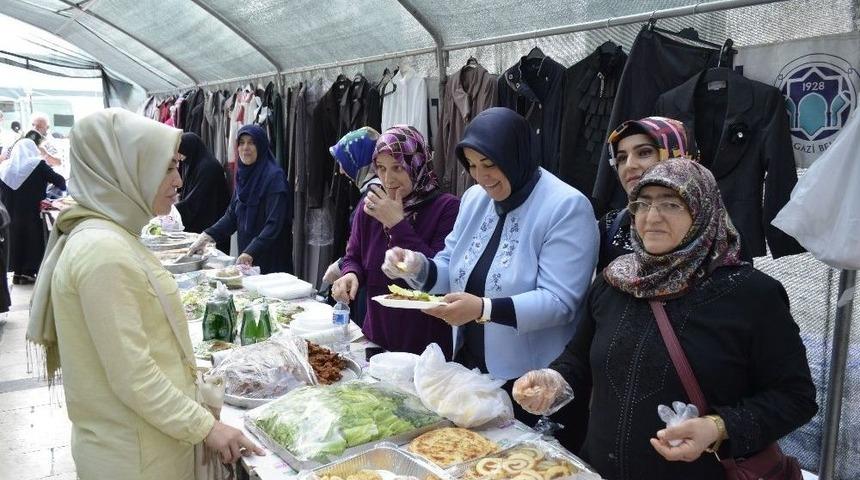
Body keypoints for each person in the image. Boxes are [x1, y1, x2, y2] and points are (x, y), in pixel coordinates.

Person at [513, 159, 817, 480]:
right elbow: (578, 359)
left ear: (703, 210)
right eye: (642, 204)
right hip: (600, 469)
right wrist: (553, 380)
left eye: (671, 204)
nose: (652, 217)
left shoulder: (750, 295)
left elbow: (795, 397)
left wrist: (717, 427)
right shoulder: (614, 282)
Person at [26, 109, 263, 480]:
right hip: (138, 458)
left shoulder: (111, 235)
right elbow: (134, 377)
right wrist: (207, 428)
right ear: (126, 169)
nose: (179, 181)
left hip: (145, 447)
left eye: (178, 166)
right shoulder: (104, 252)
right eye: (167, 168)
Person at [382, 108, 599, 444]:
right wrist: (415, 266)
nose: (481, 176)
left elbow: (560, 302)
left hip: (530, 381)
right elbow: (451, 265)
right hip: (473, 370)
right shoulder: (475, 199)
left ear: (516, 155)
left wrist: (483, 309)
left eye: (490, 163)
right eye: (471, 165)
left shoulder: (566, 206)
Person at [332, 125, 459, 356]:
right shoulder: (369, 204)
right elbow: (354, 256)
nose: (388, 179)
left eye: (398, 168)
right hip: (377, 336)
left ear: (417, 164)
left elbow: (437, 273)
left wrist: (397, 224)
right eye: (380, 168)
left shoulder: (447, 208)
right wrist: (350, 274)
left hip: (426, 343)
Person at [189, 124, 293, 274]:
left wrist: (251, 251)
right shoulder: (243, 175)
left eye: (251, 143)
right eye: (242, 143)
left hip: (271, 256)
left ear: (261, 146)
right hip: (247, 256)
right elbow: (232, 216)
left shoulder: (274, 177)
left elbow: (274, 223)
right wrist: (208, 235)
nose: (245, 148)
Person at [598, 116, 692, 271]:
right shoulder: (612, 225)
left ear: (676, 154)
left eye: (644, 153)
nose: (629, 165)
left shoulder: (711, 224)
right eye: (621, 158)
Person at [322, 126, 383, 326]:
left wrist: (341, 265)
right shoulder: (370, 190)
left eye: (344, 162)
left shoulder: (374, 195)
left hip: (370, 286)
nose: (341, 170)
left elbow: (371, 245)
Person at [0, 130, 66, 284]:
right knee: (32, 241)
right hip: (32, 214)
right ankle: (29, 272)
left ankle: (18, 273)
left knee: (15, 241)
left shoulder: (4, 168)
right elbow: (60, 182)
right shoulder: (38, 164)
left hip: (10, 215)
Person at [174, 132, 231, 253]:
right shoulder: (193, 162)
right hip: (202, 227)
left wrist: (172, 210)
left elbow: (196, 200)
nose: (180, 156)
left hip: (213, 226)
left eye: (181, 151)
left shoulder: (209, 167)